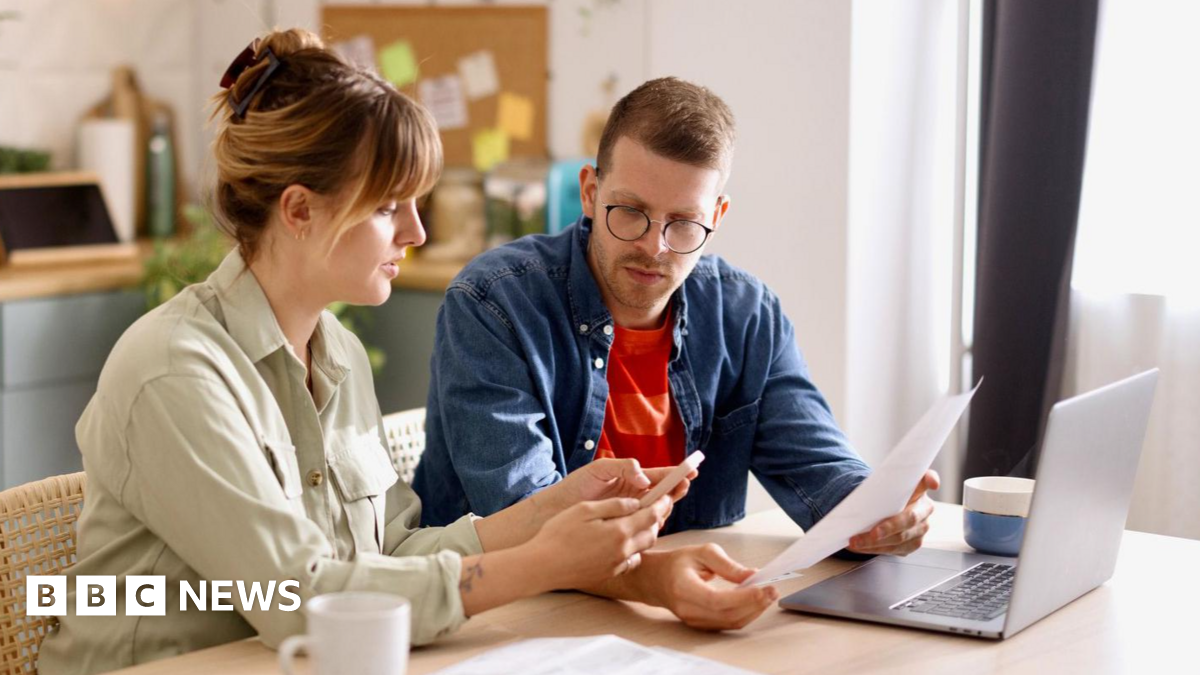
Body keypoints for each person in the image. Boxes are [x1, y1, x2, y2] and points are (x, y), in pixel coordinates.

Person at [37, 30, 685, 675]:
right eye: (387, 207)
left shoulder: (337, 352)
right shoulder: (174, 369)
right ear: (299, 210)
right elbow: (298, 599)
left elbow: (388, 552)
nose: (416, 231)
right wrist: (543, 563)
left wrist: (554, 508)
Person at [413, 77, 940, 630]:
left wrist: (881, 513)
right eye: (630, 211)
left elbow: (821, 470)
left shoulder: (746, 315)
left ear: (718, 215)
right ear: (590, 191)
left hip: (672, 617)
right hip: (499, 619)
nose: (654, 246)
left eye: (684, 223)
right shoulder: (494, 303)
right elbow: (522, 520)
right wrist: (655, 580)